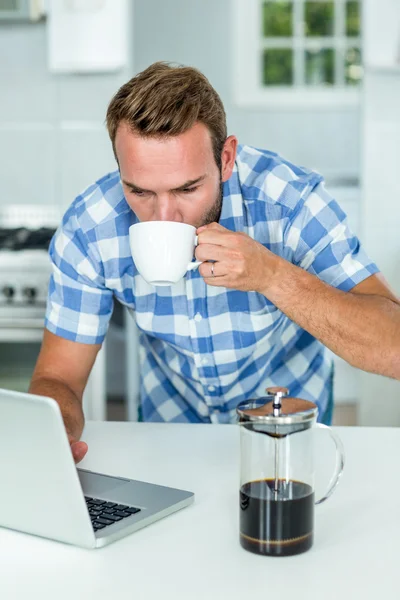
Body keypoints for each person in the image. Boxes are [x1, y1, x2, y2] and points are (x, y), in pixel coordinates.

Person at [29, 62, 400, 464]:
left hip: (288, 425)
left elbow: (393, 349)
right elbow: (58, 376)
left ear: (226, 159)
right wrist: (55, 432)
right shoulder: (90, 227)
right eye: (139, 190)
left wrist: (272, 276)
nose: (164, 216)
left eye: (187, 188)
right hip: (168, 426)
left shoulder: (290, 202)